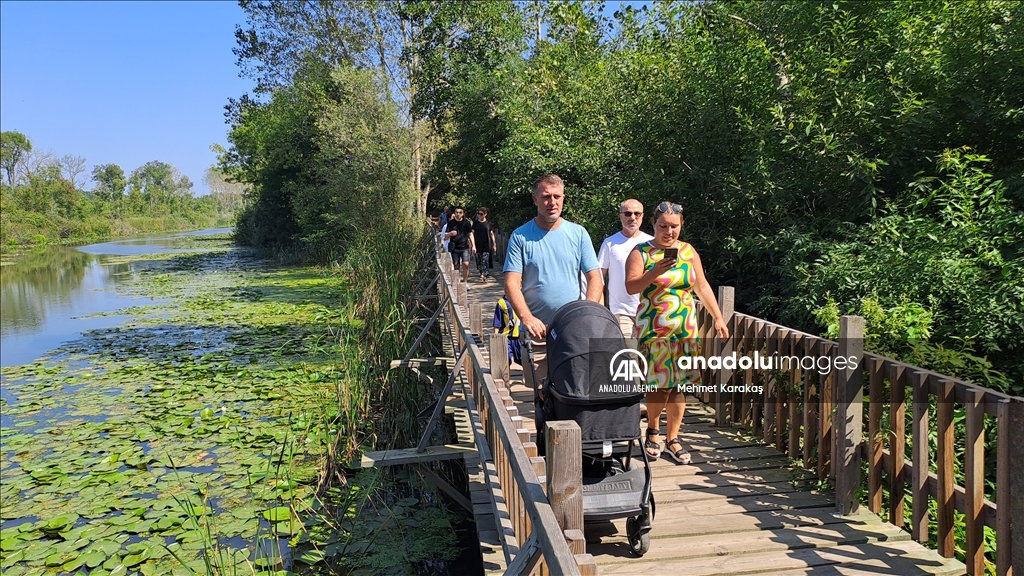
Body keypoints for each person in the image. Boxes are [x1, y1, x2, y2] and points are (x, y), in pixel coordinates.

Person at [625, 201, 729, 464]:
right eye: (663, 226)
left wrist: (718, 317)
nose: (668, 231)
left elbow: (702, 287)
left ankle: (673, 438)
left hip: (685, 330)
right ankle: (652, 431)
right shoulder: (641, 252)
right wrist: (654, 272)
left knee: (678, 385)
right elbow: (630, 287)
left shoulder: (688, 251)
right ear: (654, 225)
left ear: (681, 226)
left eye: (674, 226)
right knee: (659, 385)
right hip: (654, 329)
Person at [504, 174, 603, 395]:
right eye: (546, 197)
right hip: (537, 331)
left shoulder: (578, 233)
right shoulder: (520, 237)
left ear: (563, 198)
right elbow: (511, 282)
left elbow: (595, 277)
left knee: (575, 389)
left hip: (572, 329)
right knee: (542, 393)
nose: (552, 202)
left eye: (557, 196)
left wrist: (585, 314)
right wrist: (527, 318)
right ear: (535, 199)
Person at [598, 199, 653, 340]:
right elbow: (598, 277)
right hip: (621, 312)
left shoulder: (651, 243)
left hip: (649, 309)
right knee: (628, 356)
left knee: (650, 355)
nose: (633, 218)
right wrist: (601, 310)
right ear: (620, 216)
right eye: (628, 213)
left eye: (637, 213)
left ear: (643, 216)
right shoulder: (610, 243)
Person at [446, 206, 476, 284]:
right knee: (456, 266)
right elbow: (445, 236)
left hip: (465, 247)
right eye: (457, 212)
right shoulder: (450, 223)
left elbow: (470, 234)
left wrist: (474, 245)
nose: (458, 214)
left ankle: (465, 282)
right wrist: (450, 234)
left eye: (460, 212)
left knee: (466, 264)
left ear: (463, 214)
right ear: (454, 213)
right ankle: (458, 282)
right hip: (455, 248)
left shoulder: (466, 222)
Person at [493, 294, 523, 366]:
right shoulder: (501, 303)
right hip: (505, 337)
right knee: (505, 359)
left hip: (520, 337)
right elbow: (497, 322)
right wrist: (496, 340)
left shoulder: (523, 301)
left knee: (522, 359)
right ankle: (506, 376)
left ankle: (526, 376)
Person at [473, 207, 497, 281]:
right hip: (477, 244)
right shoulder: (475, 223)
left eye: (481, 214)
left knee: (485, 260)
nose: (479, 215)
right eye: (478, 214)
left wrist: (494, 244)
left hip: (486, 244)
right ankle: (481, 273)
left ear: (485, 214)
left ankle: (484, 274)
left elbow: (491, 234)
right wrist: (471, 244)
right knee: (479, 260)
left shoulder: (488, 224)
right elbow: (472, 233)